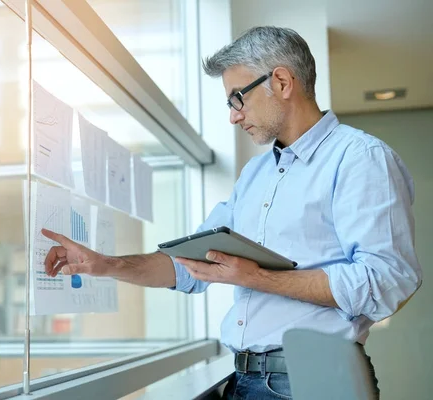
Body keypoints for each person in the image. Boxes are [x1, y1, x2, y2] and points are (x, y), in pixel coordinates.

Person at [42, 26, 422, 399]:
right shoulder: (257, 174)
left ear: (283, 82)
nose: (233, 116)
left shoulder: (360, 158)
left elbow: (386, 280)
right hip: (243, 380)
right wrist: (104, 265)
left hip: (313, 381)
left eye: (237, 97)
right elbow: (189, 265)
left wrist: (258, 277)